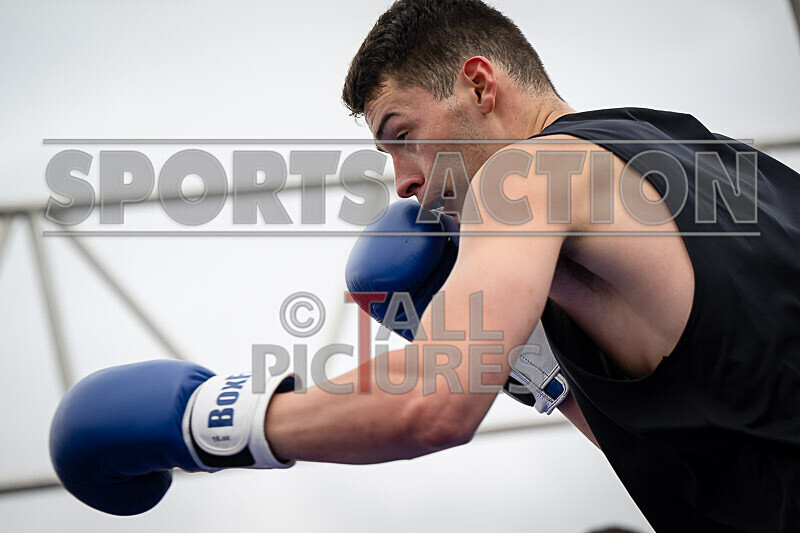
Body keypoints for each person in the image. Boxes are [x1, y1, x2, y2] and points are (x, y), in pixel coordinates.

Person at [49, 0, 799, 530]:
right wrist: (543, 373)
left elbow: (430, 403)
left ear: (479, 83)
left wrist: (209, 421)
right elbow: (715, 445)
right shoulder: (716, 159)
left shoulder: (524, 175)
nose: (404, 182)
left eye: (402, 135)